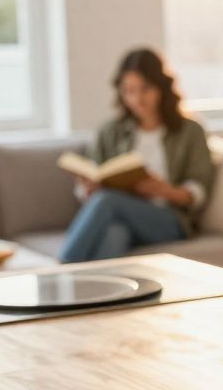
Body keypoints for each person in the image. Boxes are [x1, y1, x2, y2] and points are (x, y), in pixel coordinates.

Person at [59, 48, 214, 263]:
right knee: (116, 233)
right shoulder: (110, 131)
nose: (137, 99)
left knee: (107, 201)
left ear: (162, 87)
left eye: (145, 89)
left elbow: (199, 190)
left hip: (168, 219)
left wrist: (165, 191)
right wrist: (88, 190)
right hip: (119, 214)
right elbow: (94, 176)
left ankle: (61, 268)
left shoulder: (190, 131)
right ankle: (103, 295)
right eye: (128, 91)